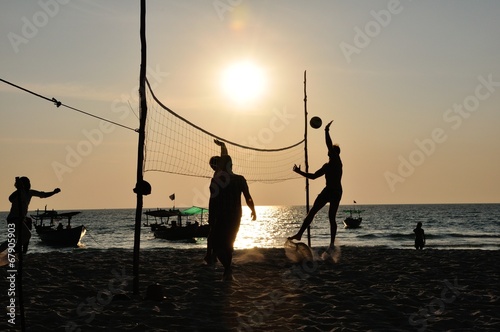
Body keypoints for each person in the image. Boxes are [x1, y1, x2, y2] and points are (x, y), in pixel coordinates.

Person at [288, 120, 342, 250]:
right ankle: (300, 234)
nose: (328, 151)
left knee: (331, 217)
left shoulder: (336, 161)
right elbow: (313, 176)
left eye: (331, 150)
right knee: (312, 212)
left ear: (334, 153)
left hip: (335, 191)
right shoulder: (326, 166)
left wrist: (326, 131)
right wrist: (299, 171)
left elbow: (329, 144)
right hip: (328, 190)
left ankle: (332, 244)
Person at [209, 155, 256, 280]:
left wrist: (211, 218)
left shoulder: (217, 181)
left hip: (222, 216)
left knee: (217, 246)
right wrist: (253, 210)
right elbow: (248, 197)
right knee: (228, 244)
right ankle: (227, 269)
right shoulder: (239, 179)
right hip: (235, 216)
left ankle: (227, 268)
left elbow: (212, 202)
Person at [0, 176, 61, 254]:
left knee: (14, 239)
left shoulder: (30, 193)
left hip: (19, 219)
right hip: (14, 219)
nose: (29, 184)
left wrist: (53, 192)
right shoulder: (18, 192)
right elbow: (10, 199)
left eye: (29, 182)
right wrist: (19, 190)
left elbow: (43, 195)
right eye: (27, 183)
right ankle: (16, 248)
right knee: (22, 236)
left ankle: (16, 248)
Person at [205, 139, 228, 265]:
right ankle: (211, 256)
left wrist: (223, 146)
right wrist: (223, 146)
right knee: (214, 234)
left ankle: (211, 255)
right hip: (217, 207)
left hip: (217, 207)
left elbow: (224, 157)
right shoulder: (220, 173)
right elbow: (224, 157)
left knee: (214, 234)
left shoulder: (219, 173)